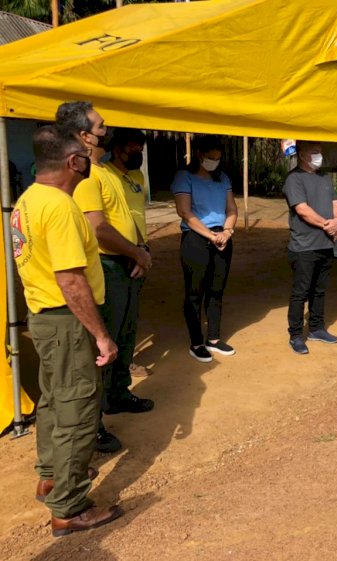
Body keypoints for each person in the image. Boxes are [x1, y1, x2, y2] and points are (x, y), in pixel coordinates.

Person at [12, 125, 122, 536]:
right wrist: (101, 335)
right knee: (77, 409)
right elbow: (71, 280)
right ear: (74, 161)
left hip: (44, 318)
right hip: (67, 319)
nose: (93, 157)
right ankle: (70, 507)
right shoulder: (59, 207)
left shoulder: (28, 199)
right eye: (89, 151)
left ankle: (50, 475)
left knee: (54, 399)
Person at [57, 101, 153, 455]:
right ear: (85, 136)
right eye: (101, 127)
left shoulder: (111, 172)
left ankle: (118, 395)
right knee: (105, 345)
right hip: (108, 267)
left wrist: (141, 251)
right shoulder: (86, 177)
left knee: (126, 335)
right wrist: (135, 252)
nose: (106, 131)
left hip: (129, 263)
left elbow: (128, 218)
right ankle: (94, 423)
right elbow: (99, 229)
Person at [171, 135, 238, 362]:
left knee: (216, 289)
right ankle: (196, 342)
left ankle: (214, 339)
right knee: (195, 292)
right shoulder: (184, 177)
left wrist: (227, 232)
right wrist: (211, 235)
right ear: (199, 154)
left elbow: (231, 208)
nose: (215, 162)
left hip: (222, 237)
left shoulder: (223, 178)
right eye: (211, 158)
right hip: (196, 238)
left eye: (218, 158)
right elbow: (185, 212)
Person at [283, 141, 337, 355]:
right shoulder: (294, 179)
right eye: (315, 153)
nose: (319, 156)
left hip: (326, 244)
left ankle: (317, 328)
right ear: (302, 154)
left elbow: (336, 203)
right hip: (304, 247)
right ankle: (296, 335)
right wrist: (327, 225)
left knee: (320, 290)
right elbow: (302, 210)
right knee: (300, 293)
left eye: (321, 152)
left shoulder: (325, 178)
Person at [108, 128, 152, 379]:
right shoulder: (104, 175)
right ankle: (112, 369)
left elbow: (137, 217)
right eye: (133, 149)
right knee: (115, 314)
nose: (138, 154)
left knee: (131, 313)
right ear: (117, 149)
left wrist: (143, 250)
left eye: (141, 150)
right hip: (117, 254)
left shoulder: (137, 177)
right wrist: (135, 251)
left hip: (139, 252)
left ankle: (126, 362)